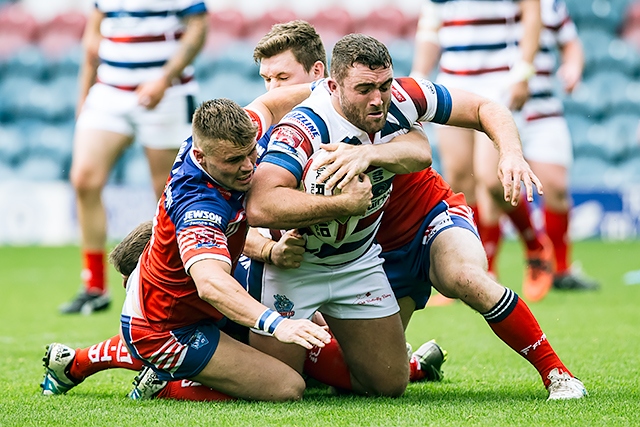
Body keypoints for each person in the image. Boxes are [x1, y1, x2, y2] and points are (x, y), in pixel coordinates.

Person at [245, 33, 546, 398]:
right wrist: (271, 249)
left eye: (384, 85)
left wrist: (511, 153)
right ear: (333, 84)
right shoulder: (286, 124)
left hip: (380, 246)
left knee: (390, 380)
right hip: (302, 262)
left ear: (319, 72)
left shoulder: (397, 100)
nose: (378, 98)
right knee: (279, 384)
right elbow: (250, 209)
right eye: (268, 79)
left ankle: (554, 371)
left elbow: (430, 144)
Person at [60, 0, 208, 314]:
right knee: (84, 179)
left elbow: (197, 29)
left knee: (168, 192)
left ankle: (169, 281)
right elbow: (94, 33)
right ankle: (94, 286)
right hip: (110, 90)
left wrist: (165, 78)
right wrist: (84, 97)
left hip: (166, 93)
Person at [410, 0, 558, 302]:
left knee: (492, 180)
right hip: (452, 81)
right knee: (460, 180)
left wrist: (525, 71)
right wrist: (417, 77)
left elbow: (532, 14)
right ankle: (475, 269)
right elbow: (430, 27)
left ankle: (536, 246)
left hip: (499, 83)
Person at [518, 0, 599, 290]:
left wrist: (573, 67)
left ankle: (561, 270)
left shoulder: (551, 5)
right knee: (492, 188)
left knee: (556, 187)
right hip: (497, 105)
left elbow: (571, 44)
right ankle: (486, 270)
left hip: (543, 108)